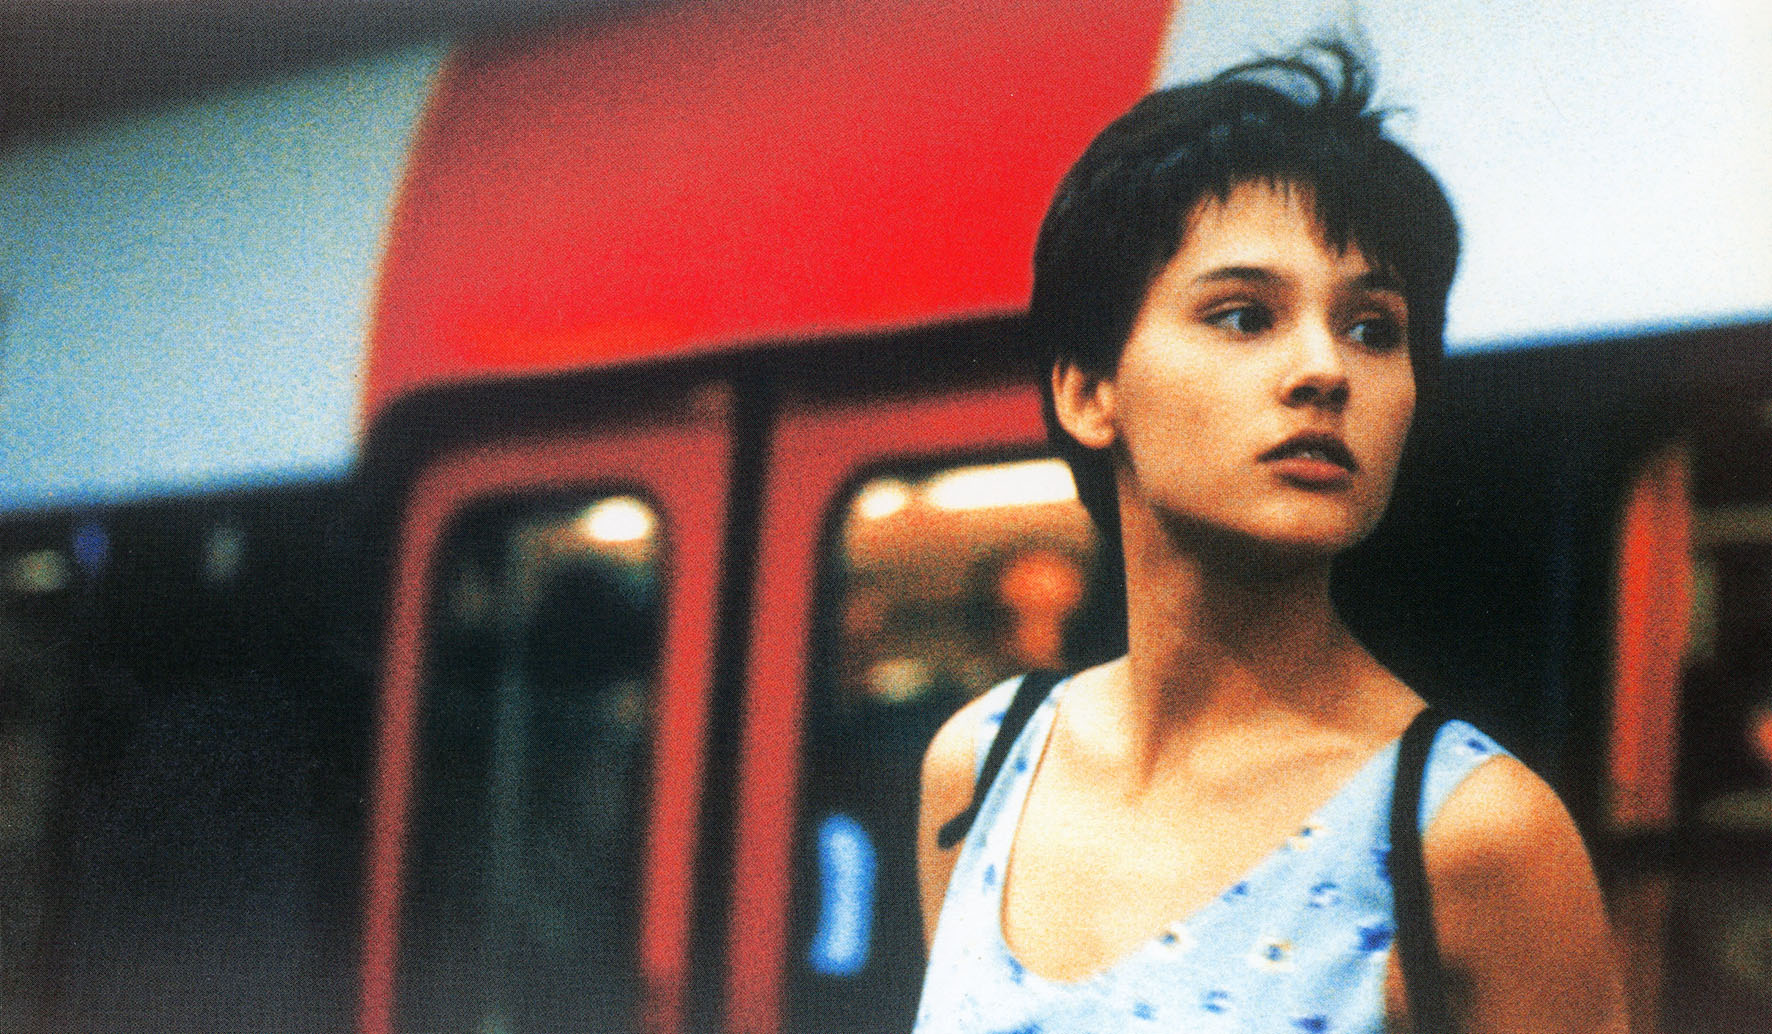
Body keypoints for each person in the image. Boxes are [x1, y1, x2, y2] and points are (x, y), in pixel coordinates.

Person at [913, 44, 1626, 1033]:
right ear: (1088, 392)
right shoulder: (986, 763)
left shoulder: (1467, 834)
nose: (1325, 369)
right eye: (1244, 315)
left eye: (1373, 329)